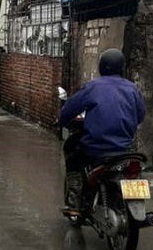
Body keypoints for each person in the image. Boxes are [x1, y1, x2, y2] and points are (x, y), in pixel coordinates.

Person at [55, 48, 146, 211]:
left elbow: (69, 109)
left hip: (96, 149)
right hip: (125, 149)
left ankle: (75, 197)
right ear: (122, 67)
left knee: (72, 151)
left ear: (102, 67)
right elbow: (140, 116)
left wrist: (60, 120)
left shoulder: (92, 87)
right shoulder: (132, 89)